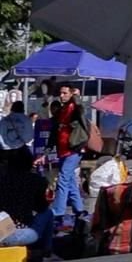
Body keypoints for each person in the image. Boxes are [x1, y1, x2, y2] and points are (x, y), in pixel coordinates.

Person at [0, 147, 54, 257]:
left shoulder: (2, 179)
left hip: (2, 228)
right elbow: (41, 207)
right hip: (16, 233)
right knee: (48, 213)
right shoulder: (37, 181)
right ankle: (45, 250)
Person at [50, 85, 85, 221]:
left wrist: (76, 97)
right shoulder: (62, 109)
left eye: (65, 93)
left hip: (74, 149)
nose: (62, 95)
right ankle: (79, 209)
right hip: (63, 149)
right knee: (69, 180)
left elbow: (81, 110)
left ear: (71, 94)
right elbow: (55, 130)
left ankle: (58, 211)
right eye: (60, 93)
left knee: (63, 179)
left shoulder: (75, 108)